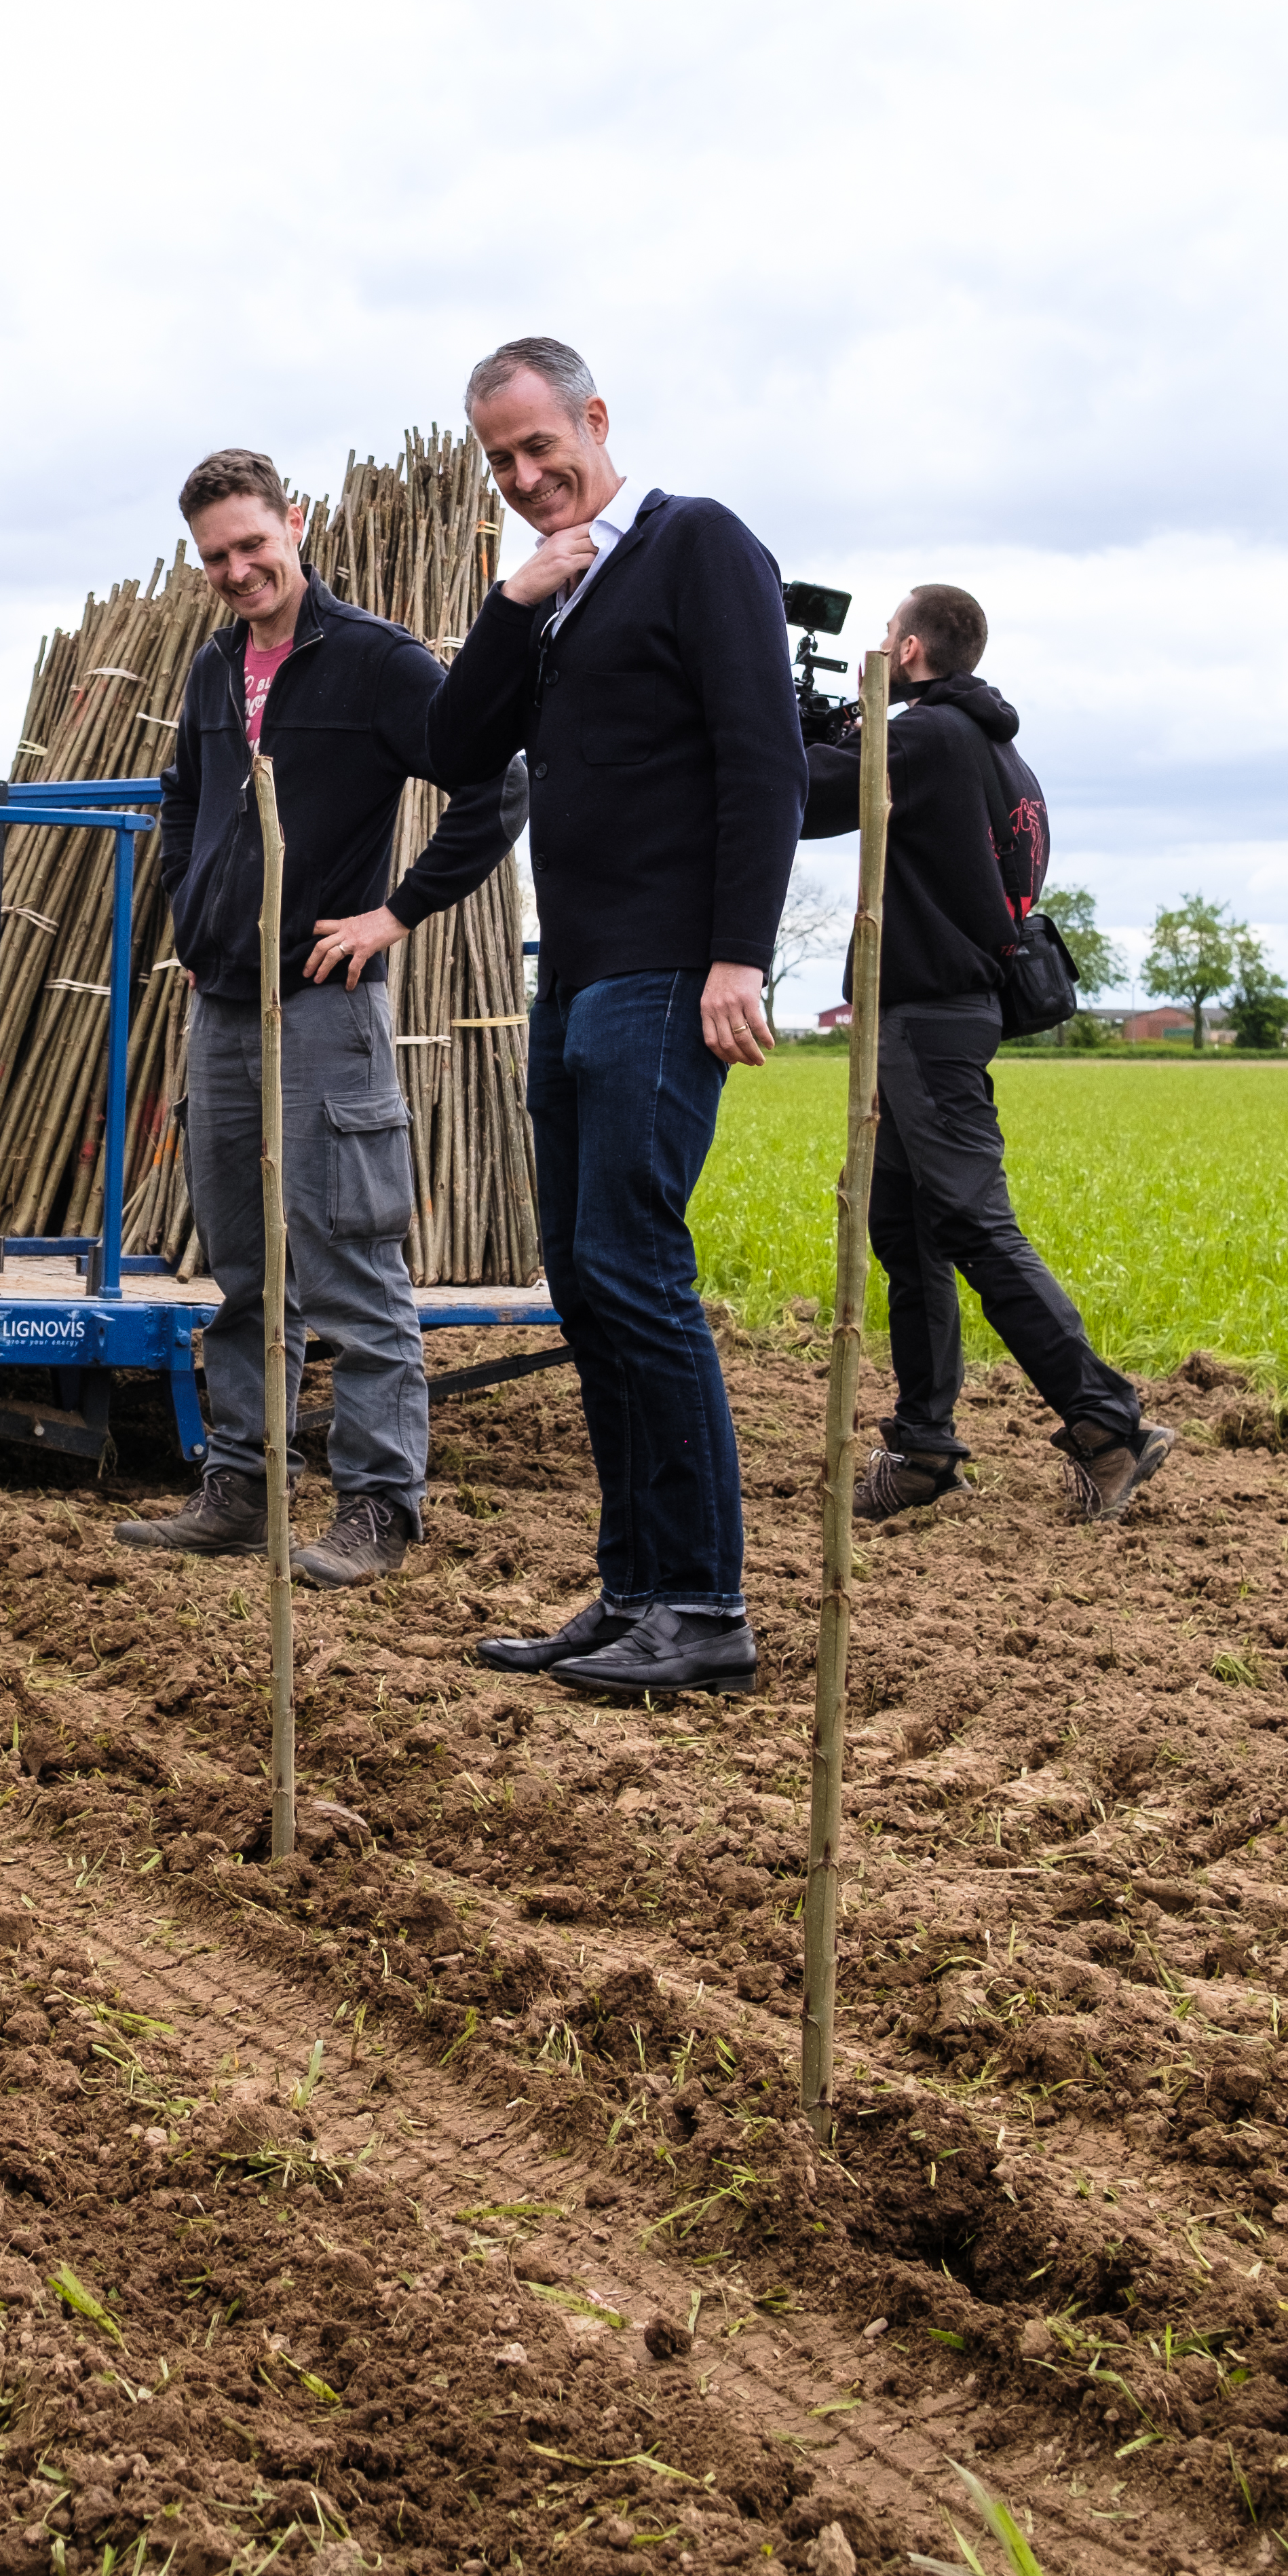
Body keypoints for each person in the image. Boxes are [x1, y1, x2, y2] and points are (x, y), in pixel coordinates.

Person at [424, 341, 804, 1701]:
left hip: (664, 974)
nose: (530, 478)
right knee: (586, 1285)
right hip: (575, 976)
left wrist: (735, 958)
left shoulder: (697, 544)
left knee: (634, 1272)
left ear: (595, 417)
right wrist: (510, 601)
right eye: (503, 463)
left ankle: (703, 1604)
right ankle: (634, 1587)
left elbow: (762, 754)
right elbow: (453, 752)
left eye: (543, 446)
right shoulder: (560, 595)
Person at [119, 448, 526, 1585]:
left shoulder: (378, 662)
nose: (240, 570)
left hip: (326, 1005)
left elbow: (494, 785)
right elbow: (187, 805)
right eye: (217, 557)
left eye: (255, 545)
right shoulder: (212, 672)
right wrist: (188, 933)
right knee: (244, 1266)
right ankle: (241, 1488)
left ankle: (378, 1508)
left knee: (351, 1261)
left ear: (295, 524)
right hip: (224, 1007)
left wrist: (392, 917)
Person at [800, 582, 1171, 1524]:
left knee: (967, 1220)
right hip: (941, 1011)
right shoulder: (1006, 756)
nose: (877, 653)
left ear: (914, 649)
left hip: (926, 1017)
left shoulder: (923, 739)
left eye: (887, 638)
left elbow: (805, 800)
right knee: (905, 1226)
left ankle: (1106, 1422)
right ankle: (921, 1450)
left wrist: (783, 725)